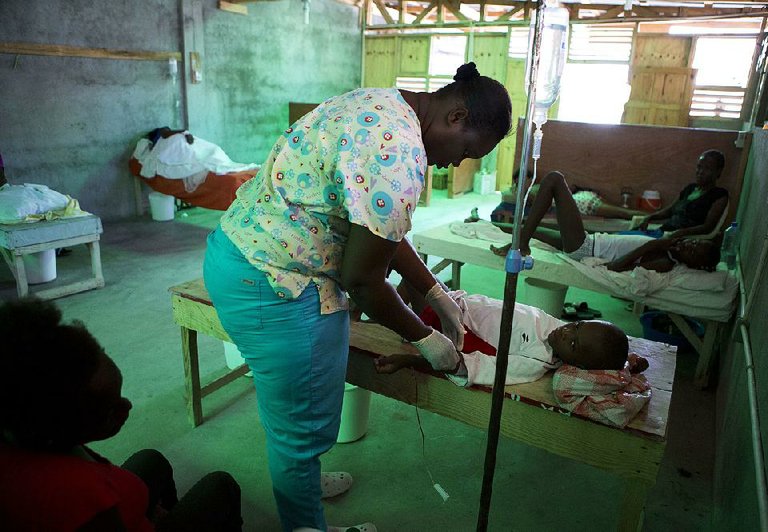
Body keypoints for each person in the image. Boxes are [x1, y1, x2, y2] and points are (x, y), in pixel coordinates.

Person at [203, 62, 512, 532]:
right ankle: (305, 520)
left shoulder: (384, 104)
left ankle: (302, 479)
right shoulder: (400, 155)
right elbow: (364, 280)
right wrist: (425, 338)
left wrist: (434, 290)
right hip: (276, 283)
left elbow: (375, 224)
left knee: (296, 421)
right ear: (455, 118)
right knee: (299, 429)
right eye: (468, 149)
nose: (457, 164)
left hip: (240, 253)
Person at [0, 298, 243, 531]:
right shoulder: (77, 499)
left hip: (124, 504)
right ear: (58, 425)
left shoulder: (23, 430)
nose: (127, 406)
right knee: (220, 486)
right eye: (109, 410)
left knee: (151, 460)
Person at [373, 291, 647, 383]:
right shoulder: (559, 330)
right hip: (458, 301)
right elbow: (599, 346)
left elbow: (469, 366)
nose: (566, 332)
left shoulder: (534, 363)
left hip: (446, 327)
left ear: (575, 364)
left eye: (572, 343)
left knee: (390, 290)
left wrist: (408, 360)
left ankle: (365, 311)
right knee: (406, 272)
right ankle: (367, 308)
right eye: (576, 326)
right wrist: (629, 361)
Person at [490, 170, 721, 273]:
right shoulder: (667, 250)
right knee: (531, 230)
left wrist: (653, 245)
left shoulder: (664, 261)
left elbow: (616, 267)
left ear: (696, 265)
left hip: (586, 248)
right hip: (589, 242)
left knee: (554, 179)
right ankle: (493, 228)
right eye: (692, 243)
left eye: (692, 251)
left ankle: (522, 244)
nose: (687, 245)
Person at [129, 127, 260, 211]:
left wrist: (184, 133)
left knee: (215, 157)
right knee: (230, 181)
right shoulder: (164, 142)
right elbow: (169, 152)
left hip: (200, 155)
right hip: (187, 156)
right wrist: (179, 134)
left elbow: (201, 147)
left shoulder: (179, 135)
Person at [479, 167, 645, 225]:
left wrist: (520, 189)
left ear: (531, 178)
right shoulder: (524, 190)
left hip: (580, 202)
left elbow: (531, 200)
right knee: (621, 213)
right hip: (580, 200)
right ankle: (650, 217)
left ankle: (651, 217)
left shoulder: (537, 188)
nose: (522, 183)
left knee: (623, 213)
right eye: (518, 181)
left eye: (525, 179)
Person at [633, 149, 728, 238]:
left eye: (707, 168)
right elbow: (669, 211)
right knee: (621, 236)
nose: (700, 172)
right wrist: (649, 218)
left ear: (718, 172)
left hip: (677, 239)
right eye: (699, 167)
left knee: (624, 242)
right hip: (663, 232)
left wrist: (681, 233)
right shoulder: (690, 189)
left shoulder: (719, 195)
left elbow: (707, 227)